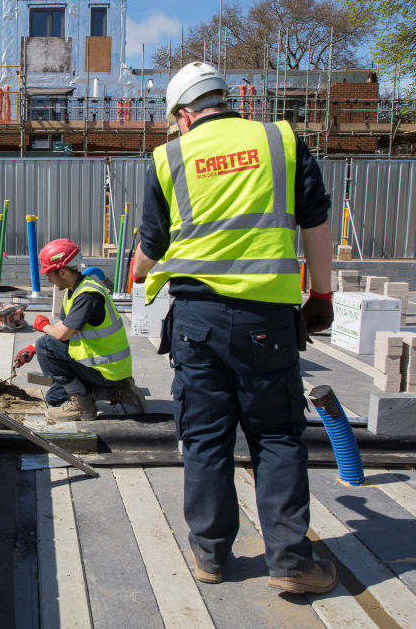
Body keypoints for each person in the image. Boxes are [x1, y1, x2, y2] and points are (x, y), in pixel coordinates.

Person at [131, 61, 337, 595]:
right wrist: (322, 296)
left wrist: (137, 272)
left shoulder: (168, 157)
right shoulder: (280, 141)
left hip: (196, 323)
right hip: (266, 321)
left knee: (203, 440)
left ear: (182, 114)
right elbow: (314, 221)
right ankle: (291, 563)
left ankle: (209, 557)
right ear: (225, 99)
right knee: (275, 438)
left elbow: (147, 257)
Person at [13, 238, 145, 423]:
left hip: (106, 368)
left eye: (49, 274)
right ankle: (118, 391)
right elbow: (62, 328)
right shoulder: (74, 291)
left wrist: (43, 327)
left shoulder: (87, 295)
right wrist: (31, 348)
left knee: (46, 346)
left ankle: (82, 404)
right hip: (103, 365)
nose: (48, 279)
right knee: (55, 398)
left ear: (63, 271)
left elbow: (61, 334)